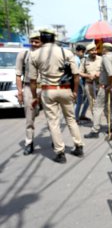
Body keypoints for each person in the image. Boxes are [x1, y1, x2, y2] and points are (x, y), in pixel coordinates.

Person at [29, 28, 85, 163]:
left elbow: (32, 80)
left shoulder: (34, 55)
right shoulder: (65, 52)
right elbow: (76, 75)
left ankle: (60, 153)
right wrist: (75, 91)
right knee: (71, 119)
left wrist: (34, 97)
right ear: (54, 39)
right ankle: (78, 146)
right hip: (66, 90)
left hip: (48, 91)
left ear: (41, 39)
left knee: (53, 122)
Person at [84, 43, 112, 138]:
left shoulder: (105, 57)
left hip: (106, 86)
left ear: (106, 49)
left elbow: (110, 73)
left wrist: (109, 85)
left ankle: (95, 130)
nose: (101, 50)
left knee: (97, 107)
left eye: (103, 48)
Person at [15, 31, 42, 155]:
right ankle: (29, 142)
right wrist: (20, 92)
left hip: (46, 88)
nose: (34, 43)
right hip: (28, 88)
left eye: (37, 41)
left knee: (52, 116)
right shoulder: (23, 54)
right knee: (29, 117)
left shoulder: (46, 55)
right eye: (32, 41)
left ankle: (55, 141)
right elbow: (18, 75)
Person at [78, 43, 102, 118]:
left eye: (95, 50)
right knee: (92, 104)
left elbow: (105, 69)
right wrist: (88, 76)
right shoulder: (84, 60)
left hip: (100, 85)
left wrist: (99, 73)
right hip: (89, 85)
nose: (94, 52)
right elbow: (79, 72)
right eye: (92, 51)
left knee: (101, 103)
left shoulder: (101, 59)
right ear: (88, 52)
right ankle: (96, 122)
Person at [74, 44, 90, 123]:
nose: (83, 53)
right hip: (79, 81)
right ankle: (76, 117)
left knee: (86, 99)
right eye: (82, 52)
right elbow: (77, 73)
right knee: (80, 100)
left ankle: (81, 115)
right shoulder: (76, 60)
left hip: (80, 81)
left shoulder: (80, 58)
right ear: (78, 51)